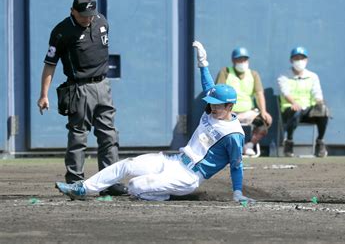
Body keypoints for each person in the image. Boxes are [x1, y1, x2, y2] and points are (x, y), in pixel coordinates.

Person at [55, 41, 255, 203]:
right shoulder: (213, 110)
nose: (213, 107)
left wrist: (237, 192)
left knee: (134, 186)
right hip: (174, 161)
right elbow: (208, 86)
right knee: (127, 165)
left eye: (218, 105)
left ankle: (168, 194)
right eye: (212, 104)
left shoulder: (234, 135)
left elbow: (236, 164)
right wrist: (203, 62)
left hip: (188, 177)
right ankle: (83, 188)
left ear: (230, 106)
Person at [37, 0, 126, 196]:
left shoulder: (102, 21)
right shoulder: (62, 32)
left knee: (109, 135)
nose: (89, 19)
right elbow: (50, 65)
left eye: (91, 14)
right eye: (84, 15)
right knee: (79, 136)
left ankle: (110, 182)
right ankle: (75, 182)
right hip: (79, 88)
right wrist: (44, 94)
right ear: (73, 11)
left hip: (103, 85)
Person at [277, 47, 330, 158]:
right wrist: (294, 103)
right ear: (291, 60)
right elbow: (285, 92)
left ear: (306, 60)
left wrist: (320, 103)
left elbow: (317, 93)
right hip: (290, 110)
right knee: (295, 111)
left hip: (308, 111)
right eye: (296, 58)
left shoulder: (313, 76)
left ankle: (320, 142)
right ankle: (289, 142)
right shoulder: (283, 76)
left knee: (324, 111)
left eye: (302, 58)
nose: (299, 61)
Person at [216, 47, 273, 148]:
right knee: (216, 122)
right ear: (233, 60)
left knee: (265, 122)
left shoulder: (253, 74)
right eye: (239, 59)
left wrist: (263, 111)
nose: (243, 62)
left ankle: (249, 145)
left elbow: (259, 94)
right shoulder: (225, 72)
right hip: (229, 112)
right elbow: (218, 92)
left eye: (245, 60)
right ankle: (225, 148)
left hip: (248, 113)